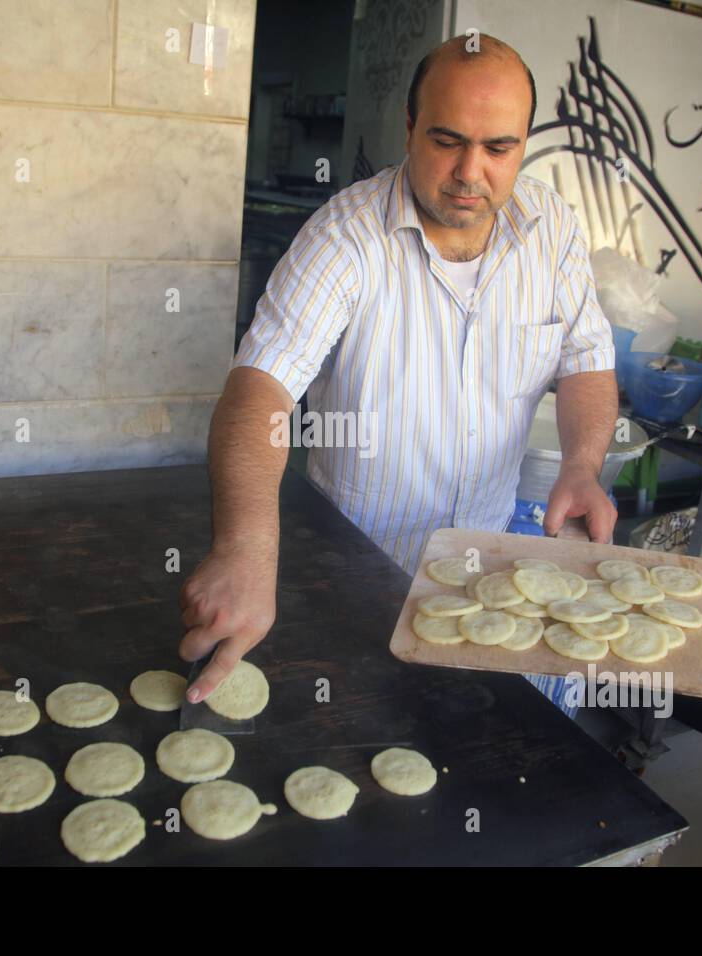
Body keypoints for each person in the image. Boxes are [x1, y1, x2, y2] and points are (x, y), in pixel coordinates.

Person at [177, 33, 618, 702]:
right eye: (447, 141)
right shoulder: (345, 238)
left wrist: (582, 465)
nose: (471, 172)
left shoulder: (551, 230)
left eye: (499, 148)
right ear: (410, 128)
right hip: (354, 575)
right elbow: (260, 389)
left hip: (484, 579)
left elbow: (587, 360)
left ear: (525, 142)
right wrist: (245, 550)